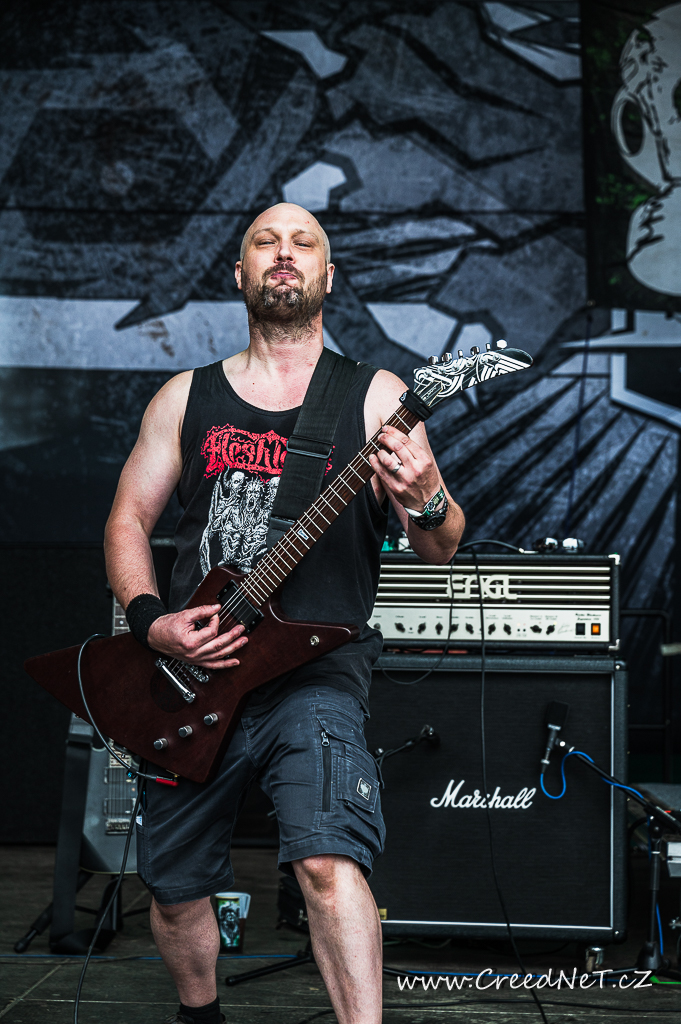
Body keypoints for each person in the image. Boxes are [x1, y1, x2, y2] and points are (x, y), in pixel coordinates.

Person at [104, 203, 464, 1024]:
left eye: (304, 243)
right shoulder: (184, 397)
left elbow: (439, 547)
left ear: (328, 278)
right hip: (194, 675)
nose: (284, 253)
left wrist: (427, 497)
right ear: (239, 274)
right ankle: (201, 1015)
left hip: (315, 674)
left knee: (327, 862)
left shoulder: (376, 396)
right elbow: (127, 520)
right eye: (265, 241)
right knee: (175, 890)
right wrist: (152, 621)